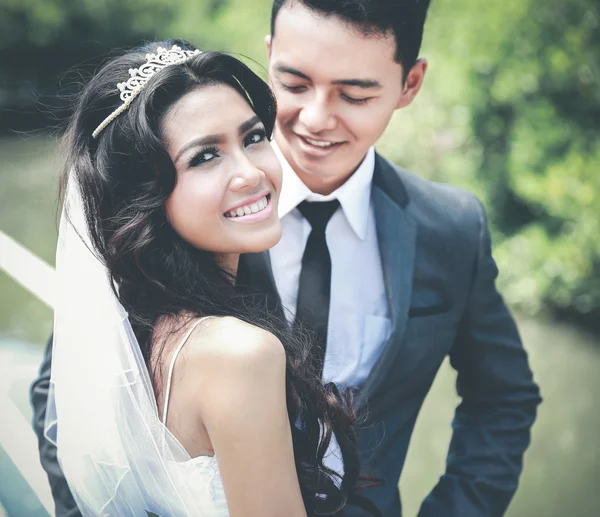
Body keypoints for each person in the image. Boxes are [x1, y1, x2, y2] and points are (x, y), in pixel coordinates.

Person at [32, 1, 542, 516]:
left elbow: (502, 398)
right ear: (270, 55)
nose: (316, 119)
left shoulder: (452, 227)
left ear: (409, 84)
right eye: (295, 84)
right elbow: (72, 389)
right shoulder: (159, 234)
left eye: (355, 93)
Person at [32, 40, 380, 517]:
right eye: (204, 157)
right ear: (144, 196)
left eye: (253, 137)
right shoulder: (239, 354)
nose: (249, 173)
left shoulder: (149, 327)